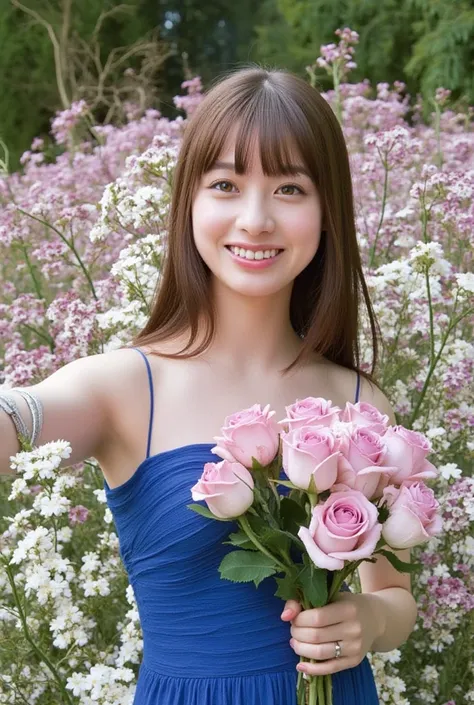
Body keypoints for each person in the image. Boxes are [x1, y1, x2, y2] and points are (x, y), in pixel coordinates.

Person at [0, 65, 418, 704]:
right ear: (188, 202)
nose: (255, 220)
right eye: (225, 184)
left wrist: (369, 620)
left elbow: (395, 596)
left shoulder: (361, 402)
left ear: (328, 209)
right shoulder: (125, 385)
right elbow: (23, 415)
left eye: (290, 189)